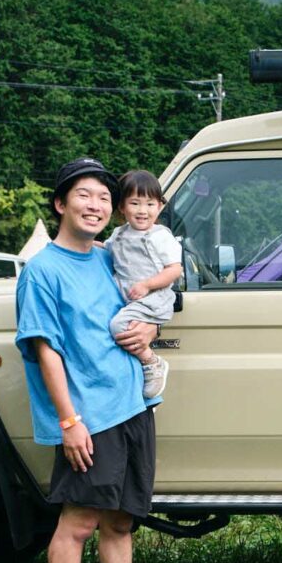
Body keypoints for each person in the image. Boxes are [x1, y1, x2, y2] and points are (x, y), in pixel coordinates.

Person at [15, 157, 177, 563]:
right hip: (90, 415)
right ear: (61, 204)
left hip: (133, 403)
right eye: (84, 195)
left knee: (122, 521)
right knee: (78, 523)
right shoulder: (43, 271)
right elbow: (46, 350)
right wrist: (69, 421)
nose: (97, 204)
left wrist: (150, 330)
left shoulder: (110, 258)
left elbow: (154, 296)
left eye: (105, 197)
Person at [105, 169, 182, 398]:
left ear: (159, 206)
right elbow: (105, 250)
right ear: (122, 207)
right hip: (131, 300)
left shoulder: (160, 236)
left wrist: (148, 285)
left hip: (153, 298)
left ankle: (152, 362)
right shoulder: (119, 234)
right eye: (135, 203)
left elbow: (174, 270)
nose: (142, 211)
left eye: (150, 204)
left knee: (118, 327)